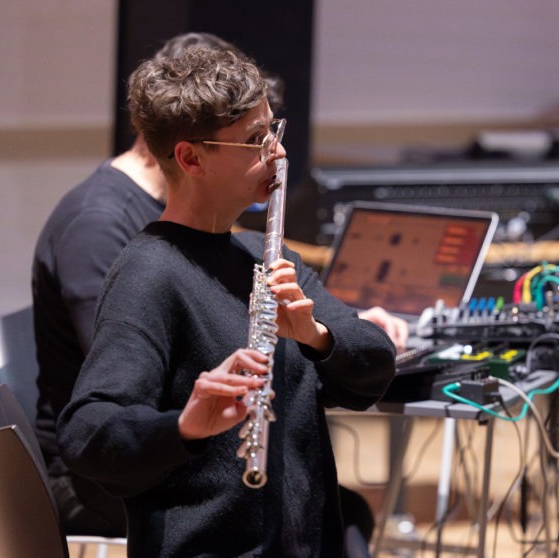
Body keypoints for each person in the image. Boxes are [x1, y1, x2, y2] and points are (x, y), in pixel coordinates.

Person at [32, 32, 406, 539]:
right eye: (255, 141)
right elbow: (90, 432)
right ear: (191, 159)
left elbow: (375, 361)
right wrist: (182, 427)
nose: (278, 153)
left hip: (296, 533)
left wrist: (317, 335)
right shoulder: (149, 272)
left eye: (273, 130)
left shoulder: (265, 256)